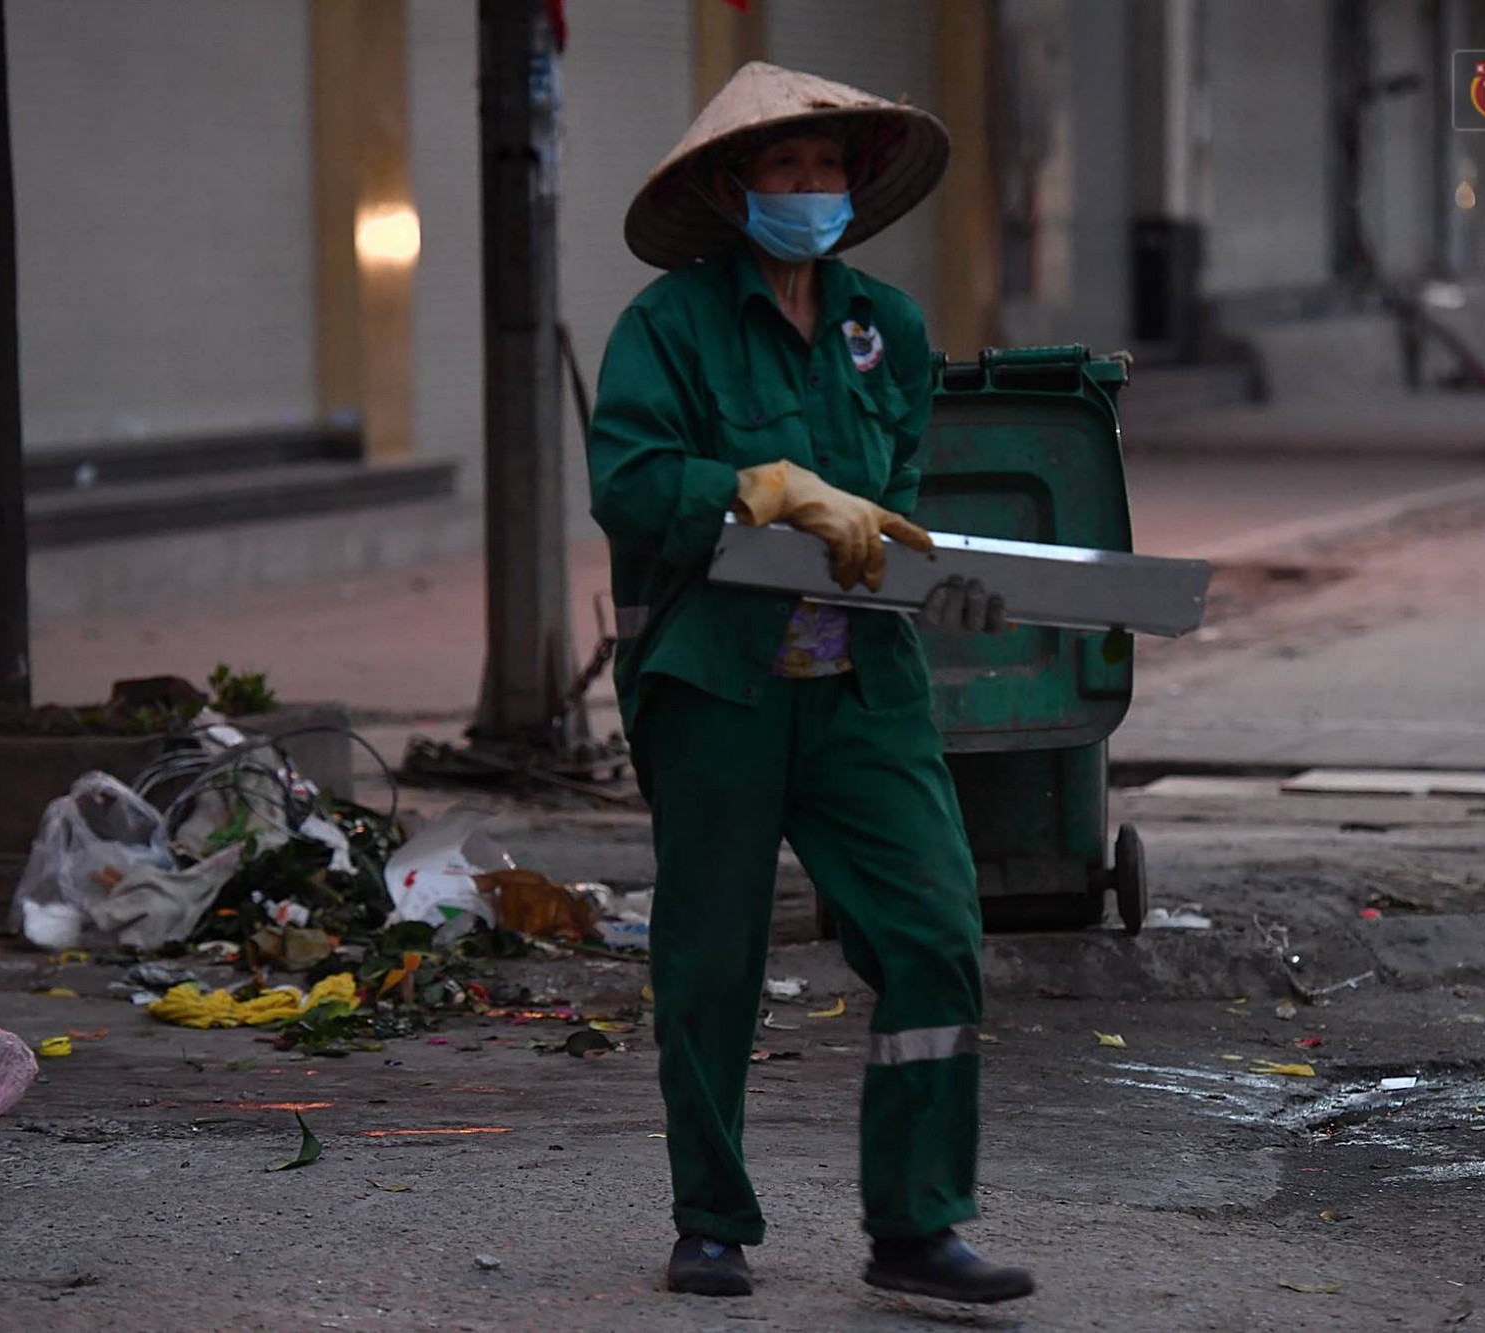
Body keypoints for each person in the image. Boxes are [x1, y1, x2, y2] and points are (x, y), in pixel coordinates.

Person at [587, 61, 1033, 1305]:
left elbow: (892, 494)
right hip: (715, 681)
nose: (810, 186)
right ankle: (711, 1220)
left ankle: (917, 1226)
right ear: (734, 190)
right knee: (712, 953)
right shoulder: (665, 328)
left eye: (827, 165)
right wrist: (750, 485)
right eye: (783, 166)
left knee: (934, 930)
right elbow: (626, 485)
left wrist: (915, 558)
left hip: (859, 685)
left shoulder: (882, 328)